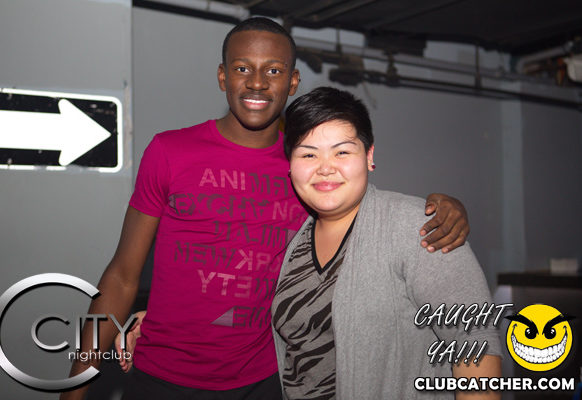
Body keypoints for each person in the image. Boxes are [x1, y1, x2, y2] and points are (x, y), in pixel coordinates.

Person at [62, 18, 471, 400]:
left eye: (273, 70)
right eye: (242, 68)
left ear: (292, 82)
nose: (256, 82)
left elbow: (372, 210)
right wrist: (74, 388)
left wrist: (444, 206)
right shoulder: (170, 151)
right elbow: (121, 276)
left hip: (263, 382)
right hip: (160, 379)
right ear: (222, 76)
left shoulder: (305, 169)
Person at [271, 86, 502, 399]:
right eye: (308, 154)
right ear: (290, 164)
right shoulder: (295, 241)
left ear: (369, 156)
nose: (325, 168)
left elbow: (474, 339)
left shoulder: (418, 226)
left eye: (342, 152)